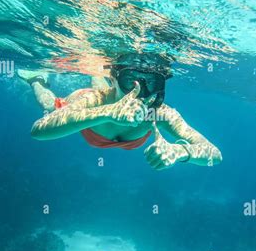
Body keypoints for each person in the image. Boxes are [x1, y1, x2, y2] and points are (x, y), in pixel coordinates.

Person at [18, 54, 222, 170]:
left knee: (104, 86)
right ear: (115, 78)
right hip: (98, 106)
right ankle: (36, 80)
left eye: (151, 83)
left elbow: (214, 153)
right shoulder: (90, 101)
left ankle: (102, 76)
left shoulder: (159, 113)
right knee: (49, 105)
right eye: (129, 81)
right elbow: (38, 130)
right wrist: (107, 112)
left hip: (107, 102)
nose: (140, 91)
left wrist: (181, 152)